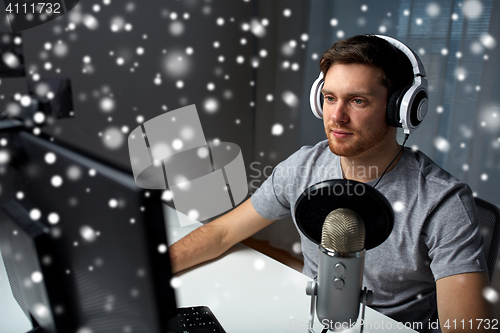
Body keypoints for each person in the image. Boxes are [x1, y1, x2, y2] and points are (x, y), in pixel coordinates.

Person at [169, 35, 492, 332]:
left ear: (400, 109)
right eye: (329, 97)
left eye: (357, 101)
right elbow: (222, 232)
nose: (336, 116)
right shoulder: (302, 167)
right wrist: (152, 271)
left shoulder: (443, 202)